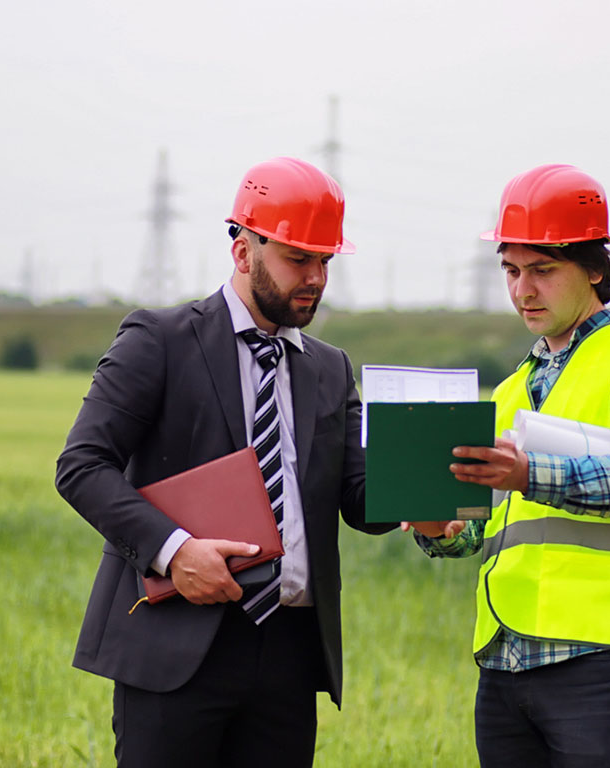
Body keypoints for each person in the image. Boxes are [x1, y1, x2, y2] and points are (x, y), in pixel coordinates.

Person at [55, 156, 394, 767]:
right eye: (298, 258)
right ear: (243, 252)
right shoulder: (157, 340)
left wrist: (420, 499)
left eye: (325, 261)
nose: (315, 277)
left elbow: (360, 499)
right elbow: (81, 465)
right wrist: (176, 551)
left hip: (290, 652)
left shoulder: (330, 367)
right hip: (175, 645)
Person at [405, 163, 610, 768]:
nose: (523, 291)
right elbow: (488, 529)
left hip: (605, 658)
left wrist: (528, 472)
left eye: (543, 270)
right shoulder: (510, 389)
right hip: (504, 661)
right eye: (511, 271)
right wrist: (441, 531)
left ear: (595, 268)